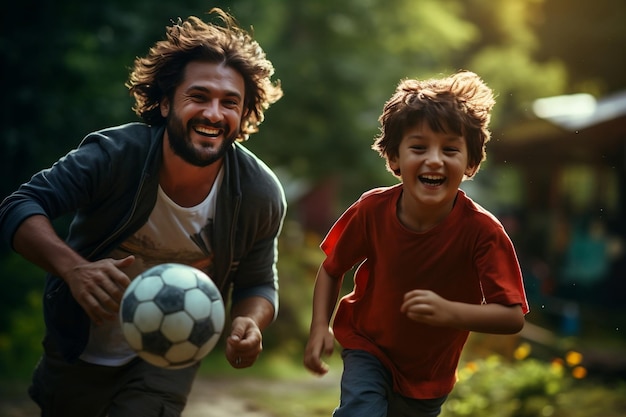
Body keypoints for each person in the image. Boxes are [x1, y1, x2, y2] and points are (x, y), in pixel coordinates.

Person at [0, 8, 286, 417]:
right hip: (77, 345)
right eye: (199, 96)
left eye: (230, 103)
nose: (213, 113)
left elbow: (258, 285)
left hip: (169, 359)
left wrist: (251, 323)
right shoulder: (115, 155)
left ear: (243, 117)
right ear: (167, 103)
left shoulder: (259, 193)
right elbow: (18, 206)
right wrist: (74, 269)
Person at [303, 71, 529, 417]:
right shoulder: (371, 210)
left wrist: (449, 312)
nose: (434, 159)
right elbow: (333, 268)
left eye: (450, 149)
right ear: (395, 158)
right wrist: (321, 325)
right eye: (419, 147)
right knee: (360, 411)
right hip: (369, 345)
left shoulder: (484, 232)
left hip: (429, 373)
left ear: (470, 163)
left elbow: (512, 316)